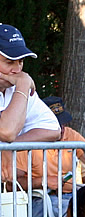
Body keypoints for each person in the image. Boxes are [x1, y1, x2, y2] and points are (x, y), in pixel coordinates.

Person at [0, 23, 59, 153]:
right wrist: (23, 85)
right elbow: (7, 132)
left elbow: (53, 129)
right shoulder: (22, 85)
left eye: (20, 62)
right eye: (9, 62)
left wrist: (8, 149)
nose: (17, 70)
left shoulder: (17, 88)